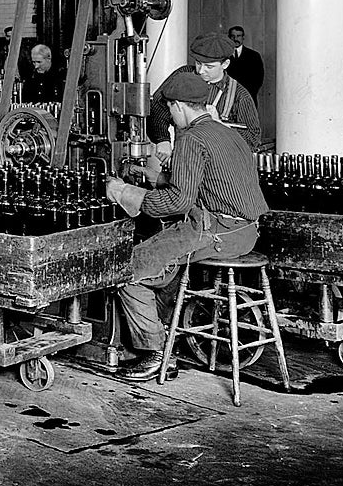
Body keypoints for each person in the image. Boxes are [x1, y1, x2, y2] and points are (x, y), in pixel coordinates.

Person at [104, 71, 269, 381]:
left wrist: (124, 192)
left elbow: (177, 202)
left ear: (179, 106)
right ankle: (165, 335)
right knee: (164, 264)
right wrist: (156, 178)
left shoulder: (191, 139)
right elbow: (212, 181)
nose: (171, 118)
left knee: (128, 269)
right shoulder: (225, 132)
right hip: (245, 231)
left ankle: (155, 353)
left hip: (216, 230)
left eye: (170, 110)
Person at [148, 33, 262, 151]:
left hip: (216, 159)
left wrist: (220, 125)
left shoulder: (239, 95)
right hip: (183, 154)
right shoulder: (183, 75)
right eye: (198, 63)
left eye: (209, 66)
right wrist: (162, 140)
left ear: (225, 64)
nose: (201, 71)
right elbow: (158, 105)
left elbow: (252, 139)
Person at [226, 25, 265, 102]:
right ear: (229, 37)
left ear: (243, 37)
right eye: (233, 36)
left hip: (248, 98)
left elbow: (259, 77)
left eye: (238, 36)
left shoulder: (254, 55)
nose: (235, 39)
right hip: (227, 99)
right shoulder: (223, 56)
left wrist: (249, 94)